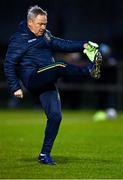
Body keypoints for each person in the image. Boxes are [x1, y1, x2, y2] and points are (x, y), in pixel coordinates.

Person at [4, 5, 102, 165]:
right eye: (40, 24)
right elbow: (9, 63)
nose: (43, 27)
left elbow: (62, 44)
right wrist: (15, 86)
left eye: (45, 24)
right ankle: (89, 71)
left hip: (46, 80)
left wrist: (83, 45)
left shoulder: (45, 35)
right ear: (30, 23)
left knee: (56, 117)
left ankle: (44, 155)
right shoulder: (19, 39)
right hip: (32, 78)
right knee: (60, 66)